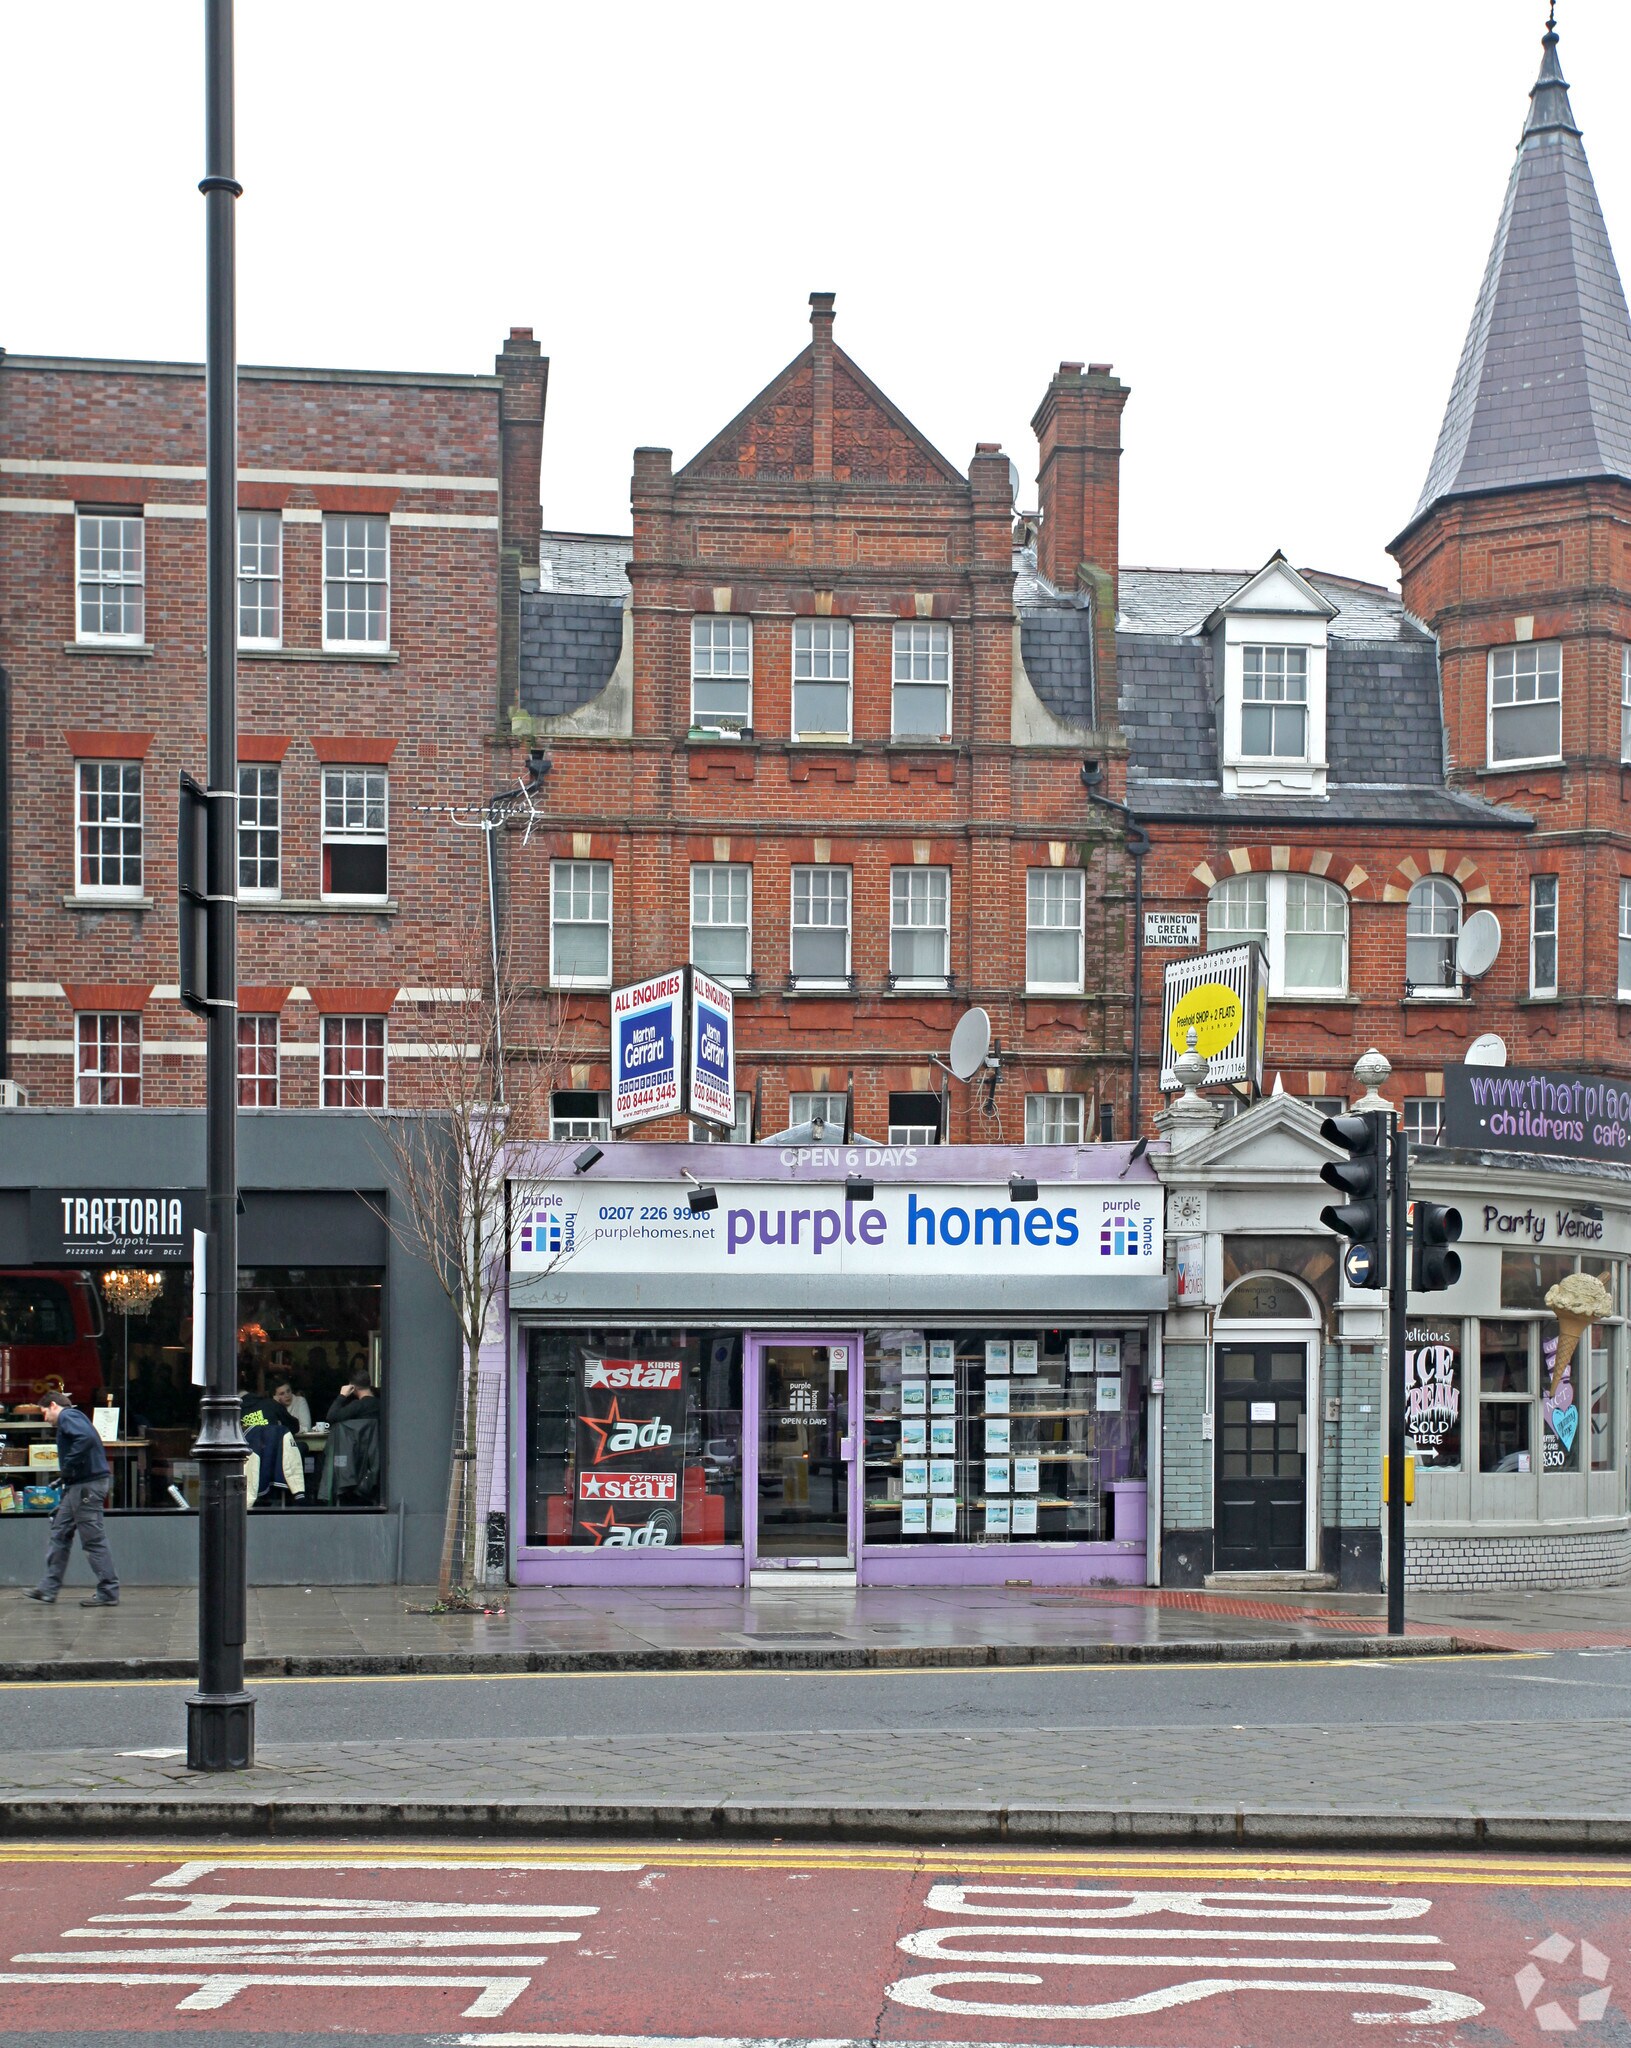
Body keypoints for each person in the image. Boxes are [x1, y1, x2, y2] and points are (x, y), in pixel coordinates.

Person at [26, 1392, 119, 1607]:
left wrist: (68, 1466)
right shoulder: (73, 1418)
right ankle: (48, 1589)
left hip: (87, 1487)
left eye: (44, 1413)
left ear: (53, 1405)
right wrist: (67, 1476)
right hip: (79, 1486)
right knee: (59, 1532)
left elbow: (85, 1439)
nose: (45, 1418)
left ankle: (109, 1591)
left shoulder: (68, 1416)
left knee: (93, 1539)